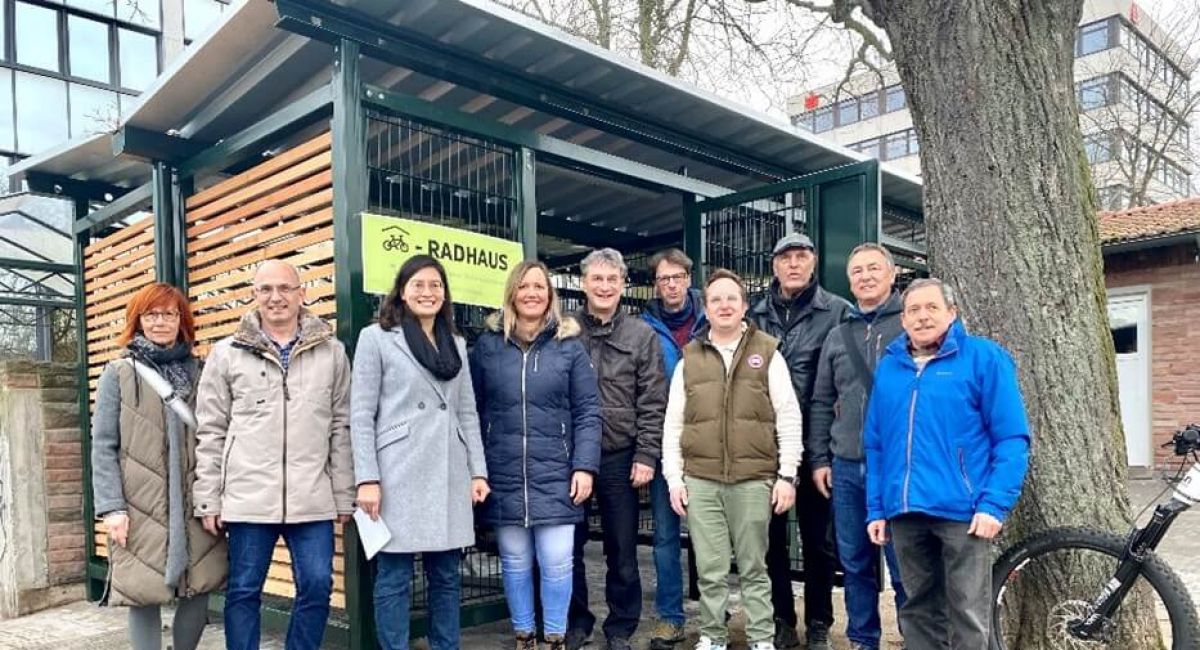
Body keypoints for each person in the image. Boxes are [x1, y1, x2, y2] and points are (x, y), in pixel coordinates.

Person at [192, 259, 355, 650]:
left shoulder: (331, 352)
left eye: (284, 288)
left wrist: (344, 493)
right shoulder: (226, 354)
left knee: (317, 585)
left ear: (302, 294)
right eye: (265, 289)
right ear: (254, 295)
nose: (275, 297)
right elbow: (211, 431)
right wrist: (208, 497)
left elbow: (341, 427)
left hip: (312, 495)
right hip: (248, 496)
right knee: (244, 590)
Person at [865, 278, 1031, 650]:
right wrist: (876, 508)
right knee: (917, 610)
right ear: (903, 319)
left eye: (931, 308)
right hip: (905, 511)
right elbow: (876, 444)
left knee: (968, 612)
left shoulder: (984, 359)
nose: (922, 317)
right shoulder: (890, 367)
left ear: (951, 313)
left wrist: (993, 504)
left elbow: (1011, 438)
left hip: (964, 512)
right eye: (913, 310)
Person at [351, 255, 490, 650]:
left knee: (446, 575)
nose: (428, 292)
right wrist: (367, 478)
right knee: (394, 576)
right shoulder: (377, 338)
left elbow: (467, 411)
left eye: (436, 285)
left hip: (449, 471)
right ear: (402, 291)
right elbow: (360, 413)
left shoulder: (456, 344)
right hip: (397, 472)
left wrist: (478, 472)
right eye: (418, 284)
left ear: (445, 293)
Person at [663, 268, 802, 650]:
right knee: (710, 569)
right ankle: (712, 635)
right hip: (701, 479)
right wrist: (674, 478)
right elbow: (673, 424)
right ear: (706, 308)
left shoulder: (768, 352)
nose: (724, 305)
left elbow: (788, 416)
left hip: (753, 478)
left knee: (755, 567)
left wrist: (787, 476)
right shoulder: (689, 359)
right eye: (716, 299)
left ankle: (760, 638)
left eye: (731, 298)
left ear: (744, 306)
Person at [470, 260, 603, 650]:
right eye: (524, 286)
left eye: (539, 287)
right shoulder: (488, 347)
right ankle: (524, 637)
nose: (531, 293)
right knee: (514, 563)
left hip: (558, 473)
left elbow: (588, 411)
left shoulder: (569, 346)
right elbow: (471, 410)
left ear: (550, 295)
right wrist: (477, 469)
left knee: (557, 561)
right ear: (512, 293)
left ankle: (555, 638)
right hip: (503, 470)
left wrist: (584, 466)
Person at [91, 283, 227, 650]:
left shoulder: (203, 371)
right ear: (137, 320)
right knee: (142, 589)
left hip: (196, 496)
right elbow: (103, 445)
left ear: (182, 320)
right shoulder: (119, 373)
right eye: (151, 314)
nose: (160, 322)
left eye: (169, 314)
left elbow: (221, 433)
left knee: (200, 583)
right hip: (139, 502)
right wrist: (112, 508)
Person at [749, 233, 849, 650]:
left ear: (814, 262)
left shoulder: (837, 312)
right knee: (768, 539)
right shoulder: (753, 313)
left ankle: (820, 621)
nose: (793, 264)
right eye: (785, 257)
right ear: (774, 265)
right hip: (762, 445)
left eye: (801, 256)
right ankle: (782, 619)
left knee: (818, 540)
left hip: (816, 444)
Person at [809, 244, 907, 650]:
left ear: (892, 274)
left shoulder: (910, 325)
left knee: (905, 565)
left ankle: (915, 637)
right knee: (854, 563)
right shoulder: (838, 335)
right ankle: (863, 640)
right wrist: (819, 459)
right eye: (857, 271)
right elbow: (821, 400)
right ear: (849, 281)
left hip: (900, 468)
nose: (865, 277)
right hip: (847, 466)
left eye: (873, 269)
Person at [568, 248, 667, 650]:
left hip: (620, 456)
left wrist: (646, 455)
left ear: (623, 284)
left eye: (612, 279)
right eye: (597, 278)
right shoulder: (564, 329)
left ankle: (621, 626)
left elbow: (653, 400)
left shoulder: (641, 335)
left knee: (622, 549)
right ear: (583, 283)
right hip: (570, 456)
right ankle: (576, 623)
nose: (605, 287)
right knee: (568, 547)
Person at [639, 248, 706, 650]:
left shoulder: (711, 318)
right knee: (665, 536)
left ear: (688, 279)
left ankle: (713, 611)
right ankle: (670, 618)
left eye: (677, 277)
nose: (671, 285)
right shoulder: (644, 328)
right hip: (666, 446)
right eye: (664, 279)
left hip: (709, 446)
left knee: (712, 535)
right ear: (655, 284)